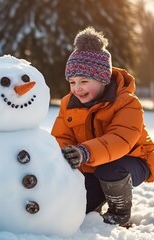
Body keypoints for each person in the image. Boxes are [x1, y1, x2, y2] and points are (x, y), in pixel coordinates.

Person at [51, 27, 154, 227]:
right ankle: (94, 203)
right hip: (91, 163)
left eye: (84, 81)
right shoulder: (68, 103)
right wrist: (66, 156)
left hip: (132, 160)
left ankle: (120, 212)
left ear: (103, 79)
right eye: (72, 82)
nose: (76, 88)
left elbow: (120, 140)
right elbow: (61, 137)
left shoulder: (127, 103)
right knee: (82, 205)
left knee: (110, 170)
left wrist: (85, 151)